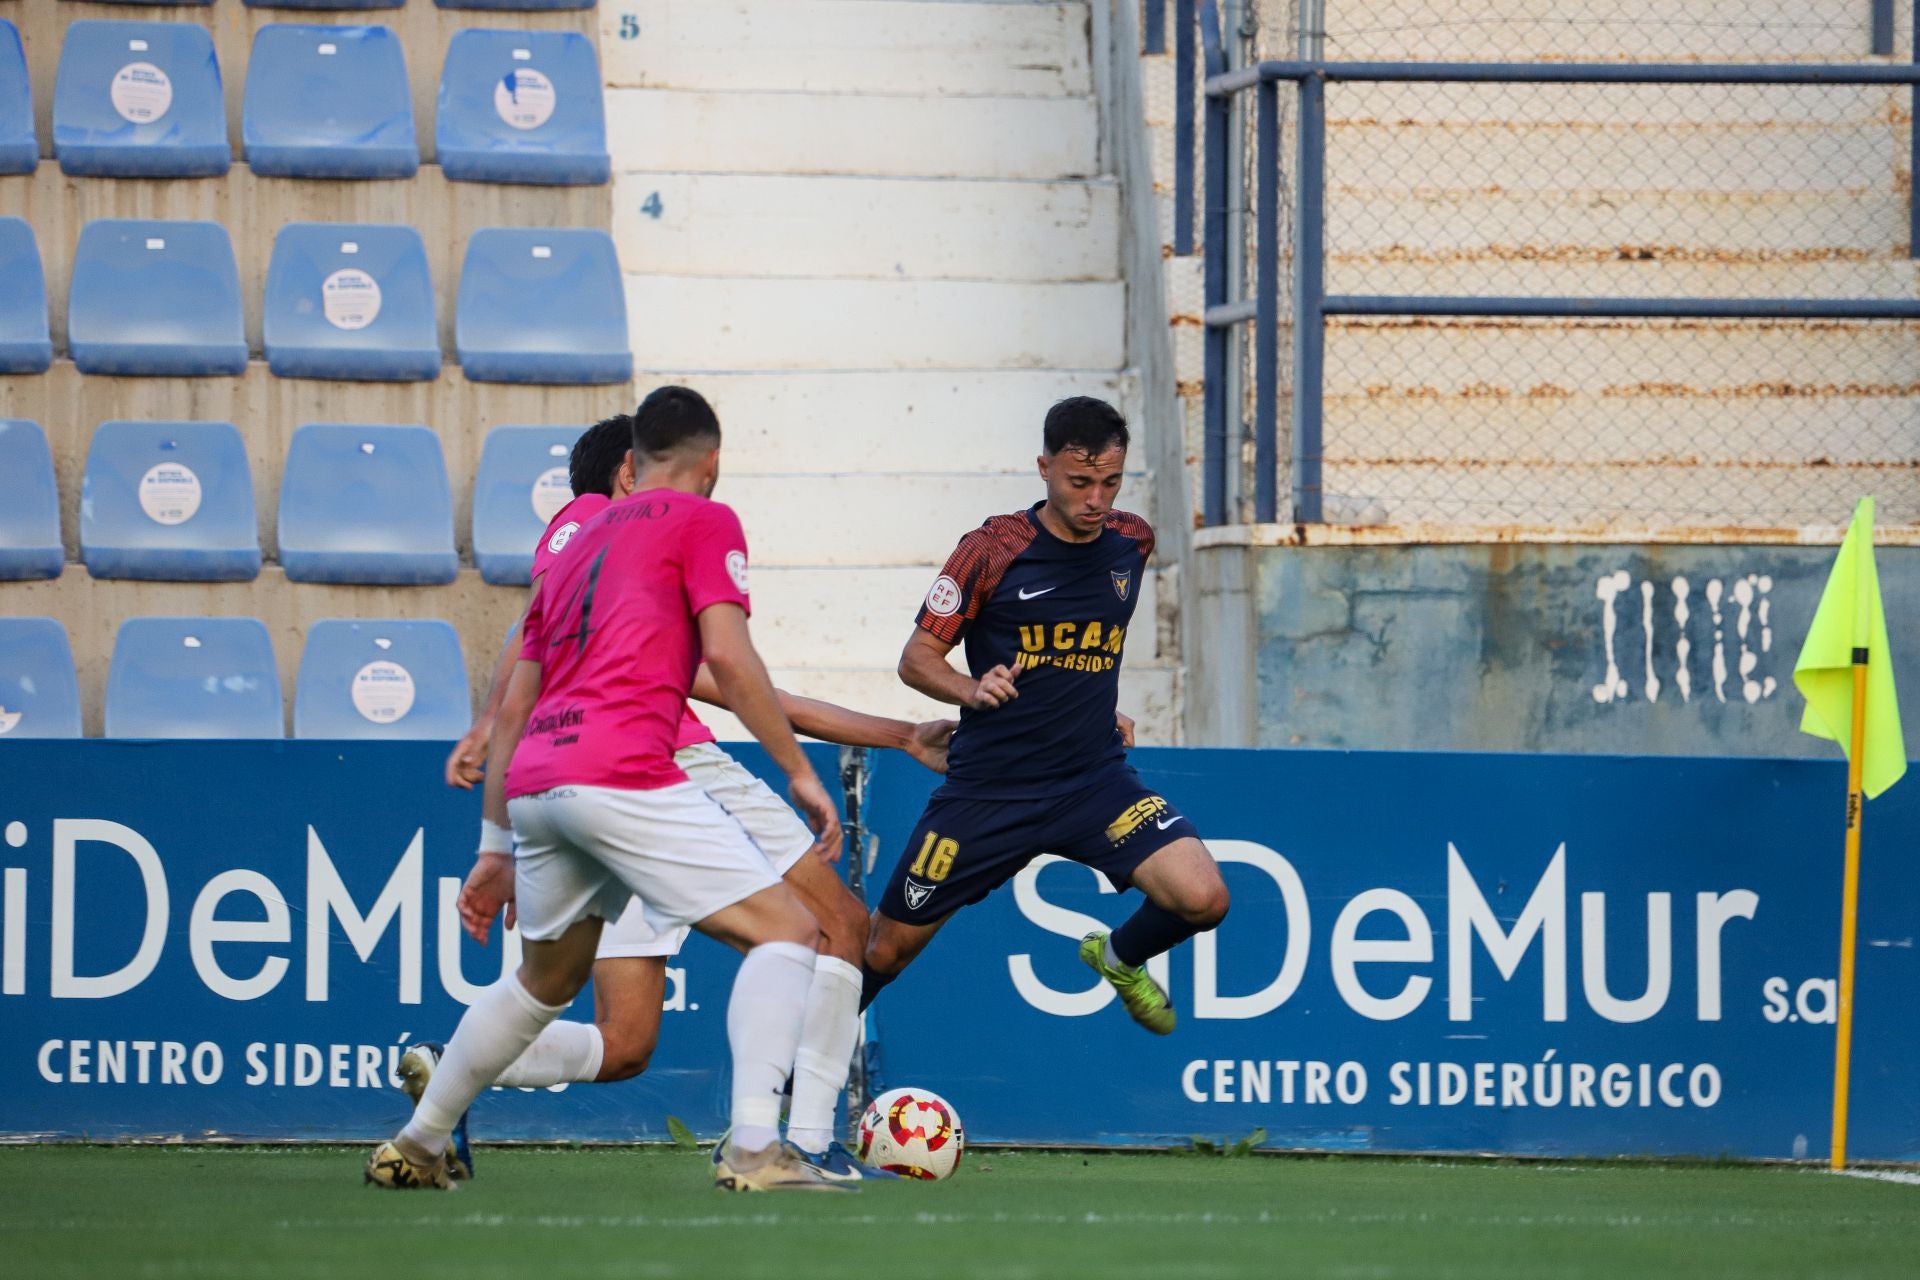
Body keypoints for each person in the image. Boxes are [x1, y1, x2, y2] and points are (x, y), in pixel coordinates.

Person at [407, 414, 951, 1183]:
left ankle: (449, 1076)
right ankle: (798, 1140)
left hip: (565, 773)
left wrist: (895, 734)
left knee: (623, 1041)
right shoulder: (600, 524)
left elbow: (547, 644)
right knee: (832, 926)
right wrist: (807, 767)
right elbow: (730, 673)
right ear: (632, 471)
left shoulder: (597, 563)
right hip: (659, 762)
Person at [859, 397, 1231, 1033]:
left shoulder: (1132, 541)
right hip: (990, 792)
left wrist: (1100, 704)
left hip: (1093, 782)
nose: (1097, 499)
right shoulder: (991, 549)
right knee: (883, 953)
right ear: (1044, 468)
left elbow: (1085, 639)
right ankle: (782, 1095)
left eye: (1110, 482)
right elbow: (916, 659)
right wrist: (971, 689)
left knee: (1204, 898)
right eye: (1079, 482)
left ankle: (1118, 957)